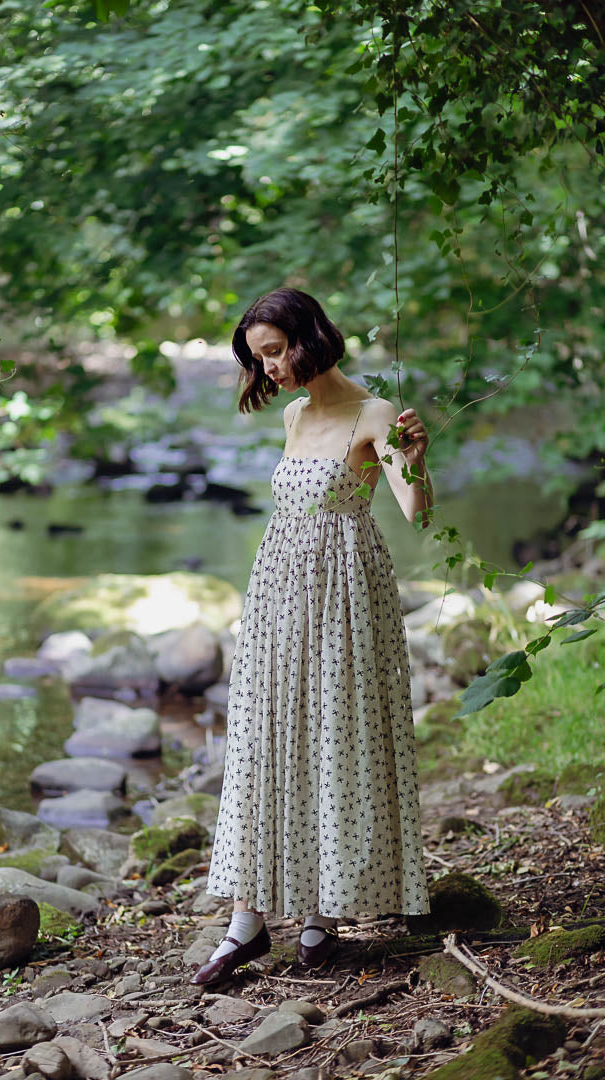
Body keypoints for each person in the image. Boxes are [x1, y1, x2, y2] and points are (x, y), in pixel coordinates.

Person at [190, 287, 432, 987]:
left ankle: (323, 917)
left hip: (347, 595)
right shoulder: (294, 415)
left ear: (311, 338)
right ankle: (248, 920)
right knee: (266, 738)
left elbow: (414, 511)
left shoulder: (375, 413)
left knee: (334, 736)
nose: (267, 368)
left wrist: (415, 454)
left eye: (274, 351)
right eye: (257, 357)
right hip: (276, 594)